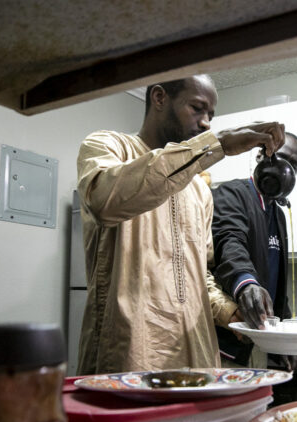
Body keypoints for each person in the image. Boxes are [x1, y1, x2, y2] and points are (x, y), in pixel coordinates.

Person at [76, 74, 285, 374]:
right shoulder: (107, 147)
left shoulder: (199, 189)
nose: (205, 123)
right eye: (197, 108)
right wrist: (217, 145)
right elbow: (105, 200)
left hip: (195, 357)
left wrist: (233, 312)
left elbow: (199, 276)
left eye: (211, 115)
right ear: (159, 98)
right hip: (130, 354)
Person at [211, 132, 297, 371]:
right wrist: (245, 283)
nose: (286, 168)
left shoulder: (279, 215)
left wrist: (288, 343)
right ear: (261, 156)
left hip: (261, 347)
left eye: (294, 165)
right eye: (281, 158)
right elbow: (229, 243)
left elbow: (276, 289)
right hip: (227, 348)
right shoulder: (232, 194)